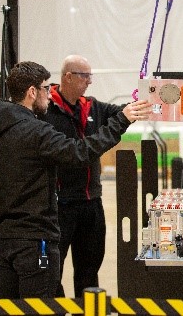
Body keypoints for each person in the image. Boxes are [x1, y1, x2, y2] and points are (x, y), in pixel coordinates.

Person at [0, 61, 151, 299]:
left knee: (9, 307)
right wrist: (121, 122)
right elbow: (80, 153)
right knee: (41, 306)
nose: (49, 94)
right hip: (37, 238)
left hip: (6, 240)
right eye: (46, 89)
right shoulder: (36, 132)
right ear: (31, 92)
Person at [39, 55, 126, 297]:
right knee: (51, 271)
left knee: (89, 271)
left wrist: (143, 101)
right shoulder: (45, 111)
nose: (89, 82)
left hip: (91, 204)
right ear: (67, 77)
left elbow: (122, 113)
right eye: (84, 76)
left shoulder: (93, 106)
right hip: (59, 206)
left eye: (90, 76)